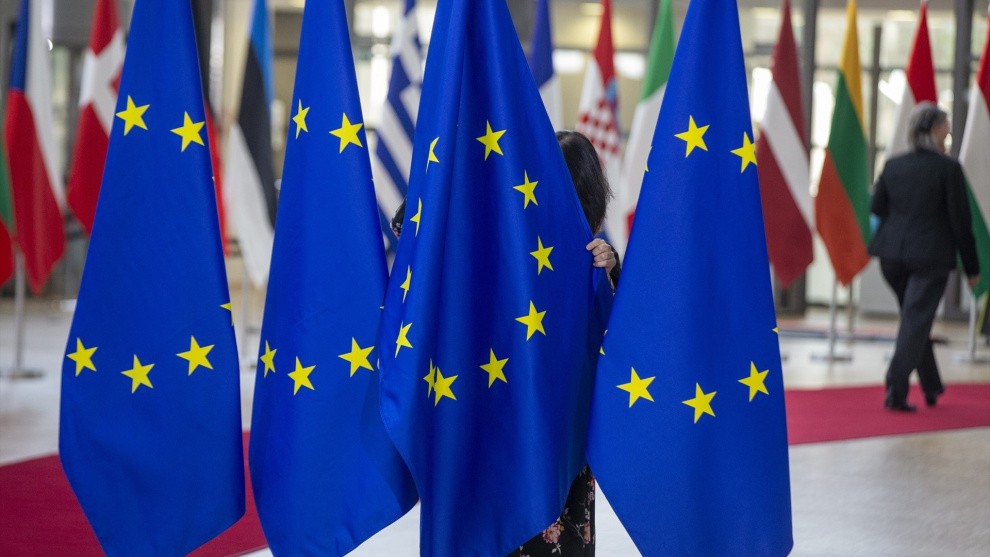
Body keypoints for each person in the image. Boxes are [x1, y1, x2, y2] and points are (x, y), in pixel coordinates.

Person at [391, 130, 618, 555]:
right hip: (493, 434)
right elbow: (408, 224)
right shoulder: (496, 247)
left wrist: (608, 272)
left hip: (556, 451)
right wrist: (461, 156)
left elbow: (618, 349)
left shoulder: (593, 265)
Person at [869, 102, 980, 412]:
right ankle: (895, 389)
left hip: (892, 257)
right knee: (915, 320)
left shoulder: (894, 165)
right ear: (934, 130)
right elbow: (961, 223)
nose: (949, 133)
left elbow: (877, 207)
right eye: (946, 127)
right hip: (930, 258)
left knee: (914, 320)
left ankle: (930, 386)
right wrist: (972, 267)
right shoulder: (948, 169)